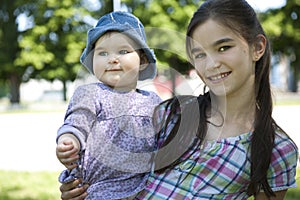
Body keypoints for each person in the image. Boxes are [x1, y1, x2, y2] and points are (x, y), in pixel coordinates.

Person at [59, 0, 299, 199]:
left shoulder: (276, 149)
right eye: (199, 54)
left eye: (223, 48)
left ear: (257, 47)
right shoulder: (171, 115)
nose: (211, 64)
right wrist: (82, 186)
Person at [56, 11, 162, 200]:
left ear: (143, 60)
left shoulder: (153, 101)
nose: (112, 59)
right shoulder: (90, 93)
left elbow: (168, 137)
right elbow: (76, 122)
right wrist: (68, 141)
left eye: (123, 51)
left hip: (145, 187)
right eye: (103, 53)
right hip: (101, 189)